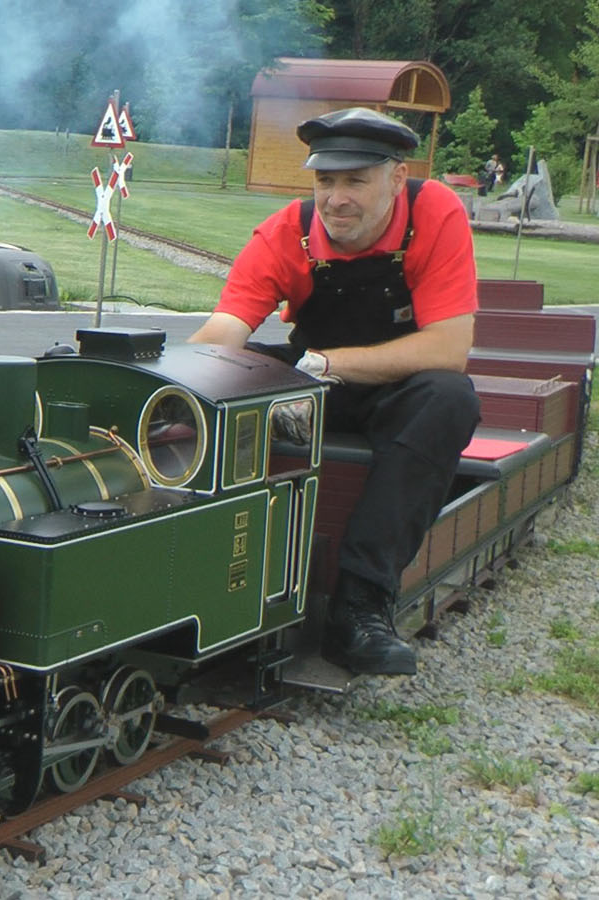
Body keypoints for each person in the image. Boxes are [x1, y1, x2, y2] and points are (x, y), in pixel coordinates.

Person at [188, 107, 481, 676]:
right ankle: (209, 575)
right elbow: (224, 333)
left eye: (355, 181)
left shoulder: (435, 212)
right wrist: (165, 381)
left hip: (399, 390)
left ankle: (360, 607)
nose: (336, 199)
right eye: (326, 181)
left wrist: (322, 363)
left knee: (451, 397)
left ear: (397, 178)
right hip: (316, 383)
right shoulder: (284, 232)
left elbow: (448, 349)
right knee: (232, 374)